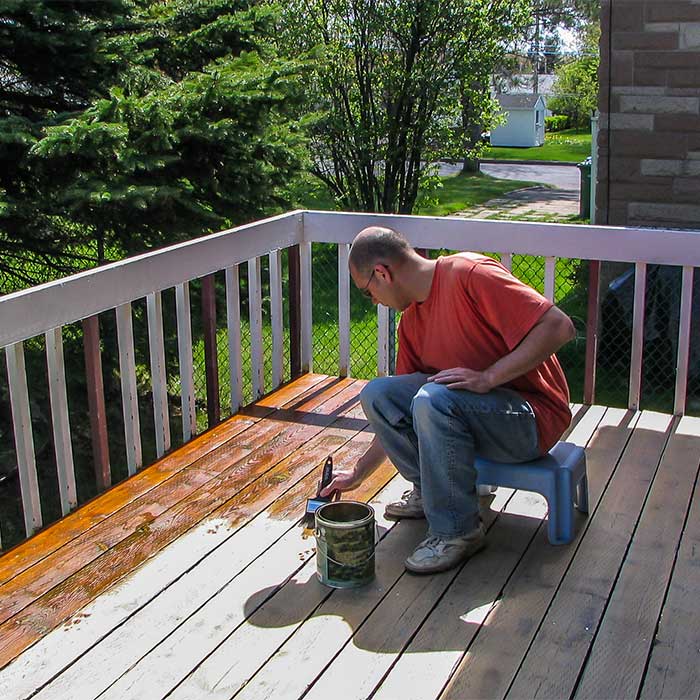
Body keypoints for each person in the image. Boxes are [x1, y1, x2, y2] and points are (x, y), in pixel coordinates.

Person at [320, 225, 575, 574]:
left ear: (382, 273)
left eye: (368, 292)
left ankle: (458, 530)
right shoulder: (411, 324)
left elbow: (559, 327)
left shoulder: (471, 274)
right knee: (379, 394)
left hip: (531, 419)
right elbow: (401, 414)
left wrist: (488, 378)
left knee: (434, 398)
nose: (374, 301)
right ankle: (431, 495)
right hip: (471, 421)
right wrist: (359, 474)